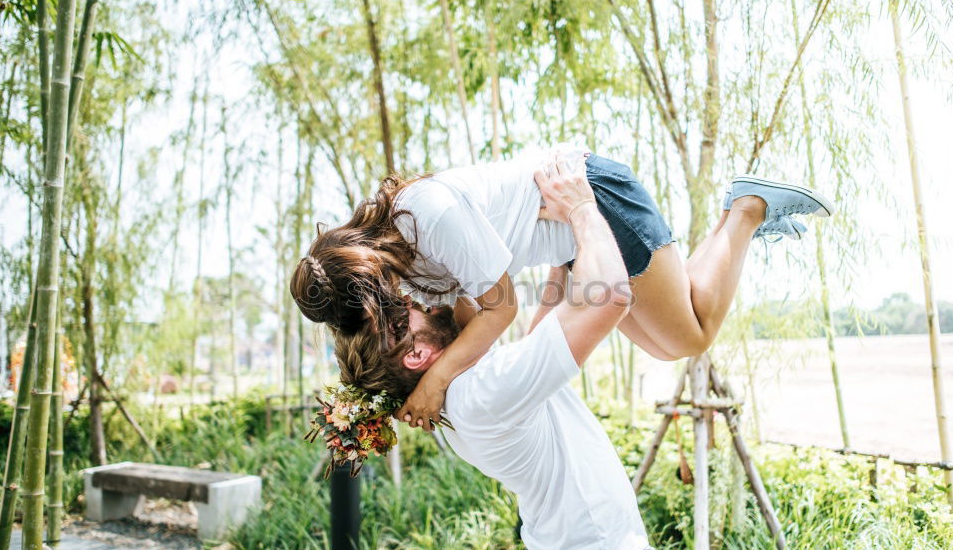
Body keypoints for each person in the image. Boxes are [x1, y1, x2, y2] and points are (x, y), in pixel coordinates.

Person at [330, 160, 673, 550]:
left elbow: (539, 342)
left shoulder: (463, 391)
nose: (417, 299)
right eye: (403, 312)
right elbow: (611, 296)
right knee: (686, 337)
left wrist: (561, 261)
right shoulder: (478, 394)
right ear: (414, 355)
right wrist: (583, 210)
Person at [292, 145, 834, 432]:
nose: (385, 314)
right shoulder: (402, 262)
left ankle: (747, 209)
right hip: (573, 239)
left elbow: (498, 310)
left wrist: (435, 380)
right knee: (665, 346)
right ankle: (739, 221)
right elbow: (468, 320)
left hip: (590, 197)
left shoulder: (426, 216)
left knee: (693, 334)